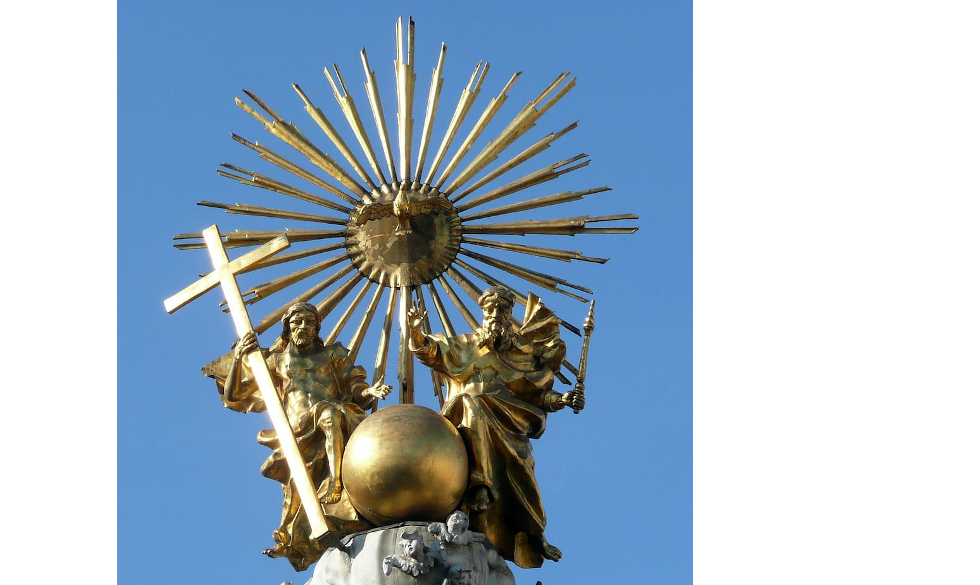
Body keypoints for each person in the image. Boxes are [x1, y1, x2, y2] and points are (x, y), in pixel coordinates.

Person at [203, 301, 392, 572]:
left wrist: (369, 392)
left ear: (317, 328)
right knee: (298, 486)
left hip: (334, 420)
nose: (303, 327)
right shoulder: (276, 360)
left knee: (329, 415)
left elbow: (354, 386)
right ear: (287, 328)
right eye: (297, 322)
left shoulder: (333, 354)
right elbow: (234, 394)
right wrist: (240, 357)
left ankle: (336, 483)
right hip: (296, 432)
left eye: (309, 322)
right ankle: (291, 538)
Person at [407, 286, 584, 569]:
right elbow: (431, 353)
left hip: (509, 426)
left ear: (509, 312)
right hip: (462, 421)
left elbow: (537, 396)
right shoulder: (465, 346)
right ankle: (482, 486)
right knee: (472, 402)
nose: (495, 314)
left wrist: (563, 399)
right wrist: (416, 331)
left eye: (502, 309)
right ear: (483, 312)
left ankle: (532, 534)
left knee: (523, 482)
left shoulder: (522, 355)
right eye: (490, 309)